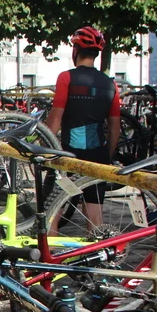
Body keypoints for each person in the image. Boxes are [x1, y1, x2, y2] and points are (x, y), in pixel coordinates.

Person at [45, 26, 120, 230]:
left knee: (52, 215)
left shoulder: (66, 78)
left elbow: (55, 119)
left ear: (75, 50)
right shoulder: (111, 84)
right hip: (98, 155)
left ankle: (50, 251)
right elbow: (115, 129)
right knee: (95, 218)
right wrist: (107, 157)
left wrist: (45, 149)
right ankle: (96, 250)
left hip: (68, 155)